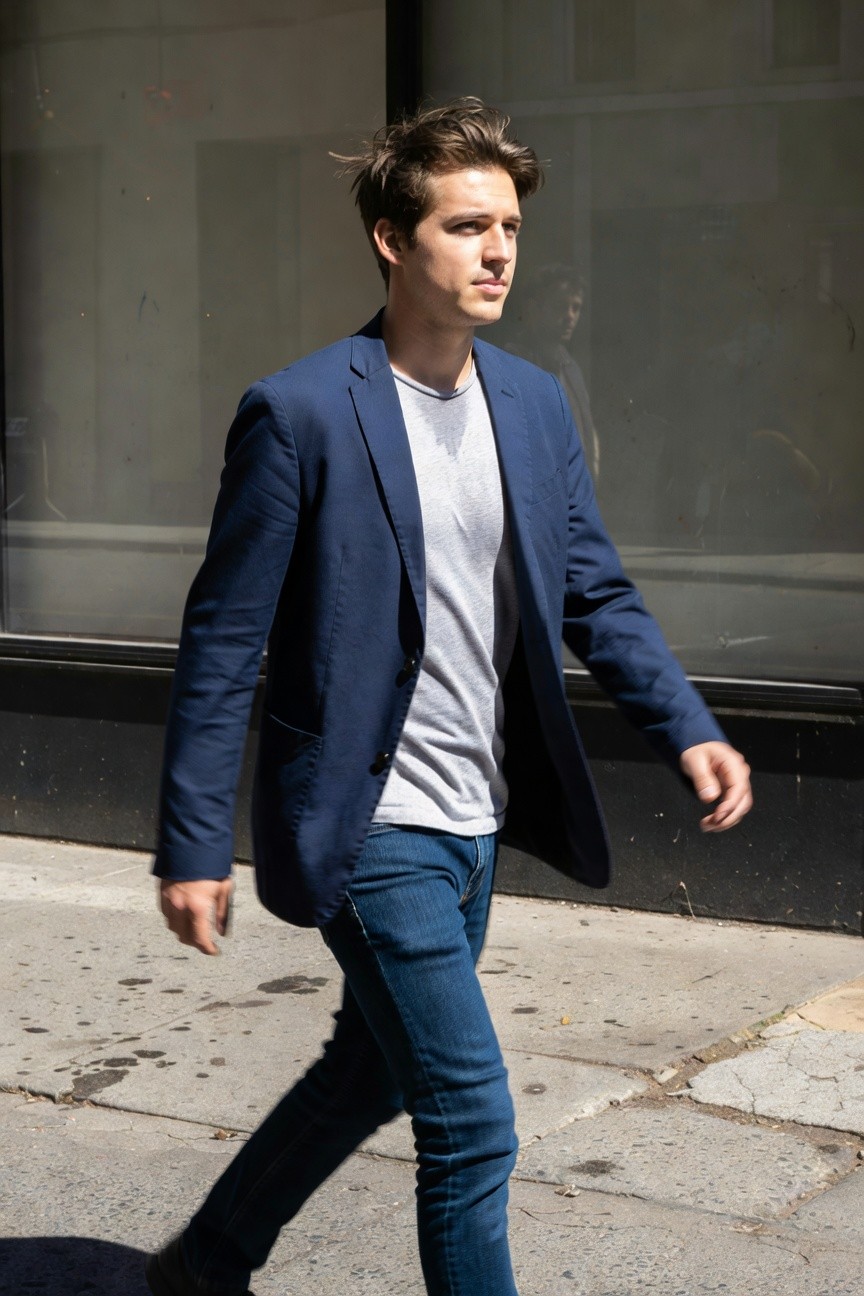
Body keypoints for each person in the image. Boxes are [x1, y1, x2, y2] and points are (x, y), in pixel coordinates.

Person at [147, 97, 752, 1296]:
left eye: (511, 228)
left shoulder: (528, 403)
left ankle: (203, 1265)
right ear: (391, 237)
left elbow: (593, 590)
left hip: (476, 816)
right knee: (474, 1122)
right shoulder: (305, 410)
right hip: (370, 826)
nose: (498, 254)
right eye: (468, 226)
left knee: (366, 1070)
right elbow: (225, 641)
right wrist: (193, 841)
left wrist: (686, 724)